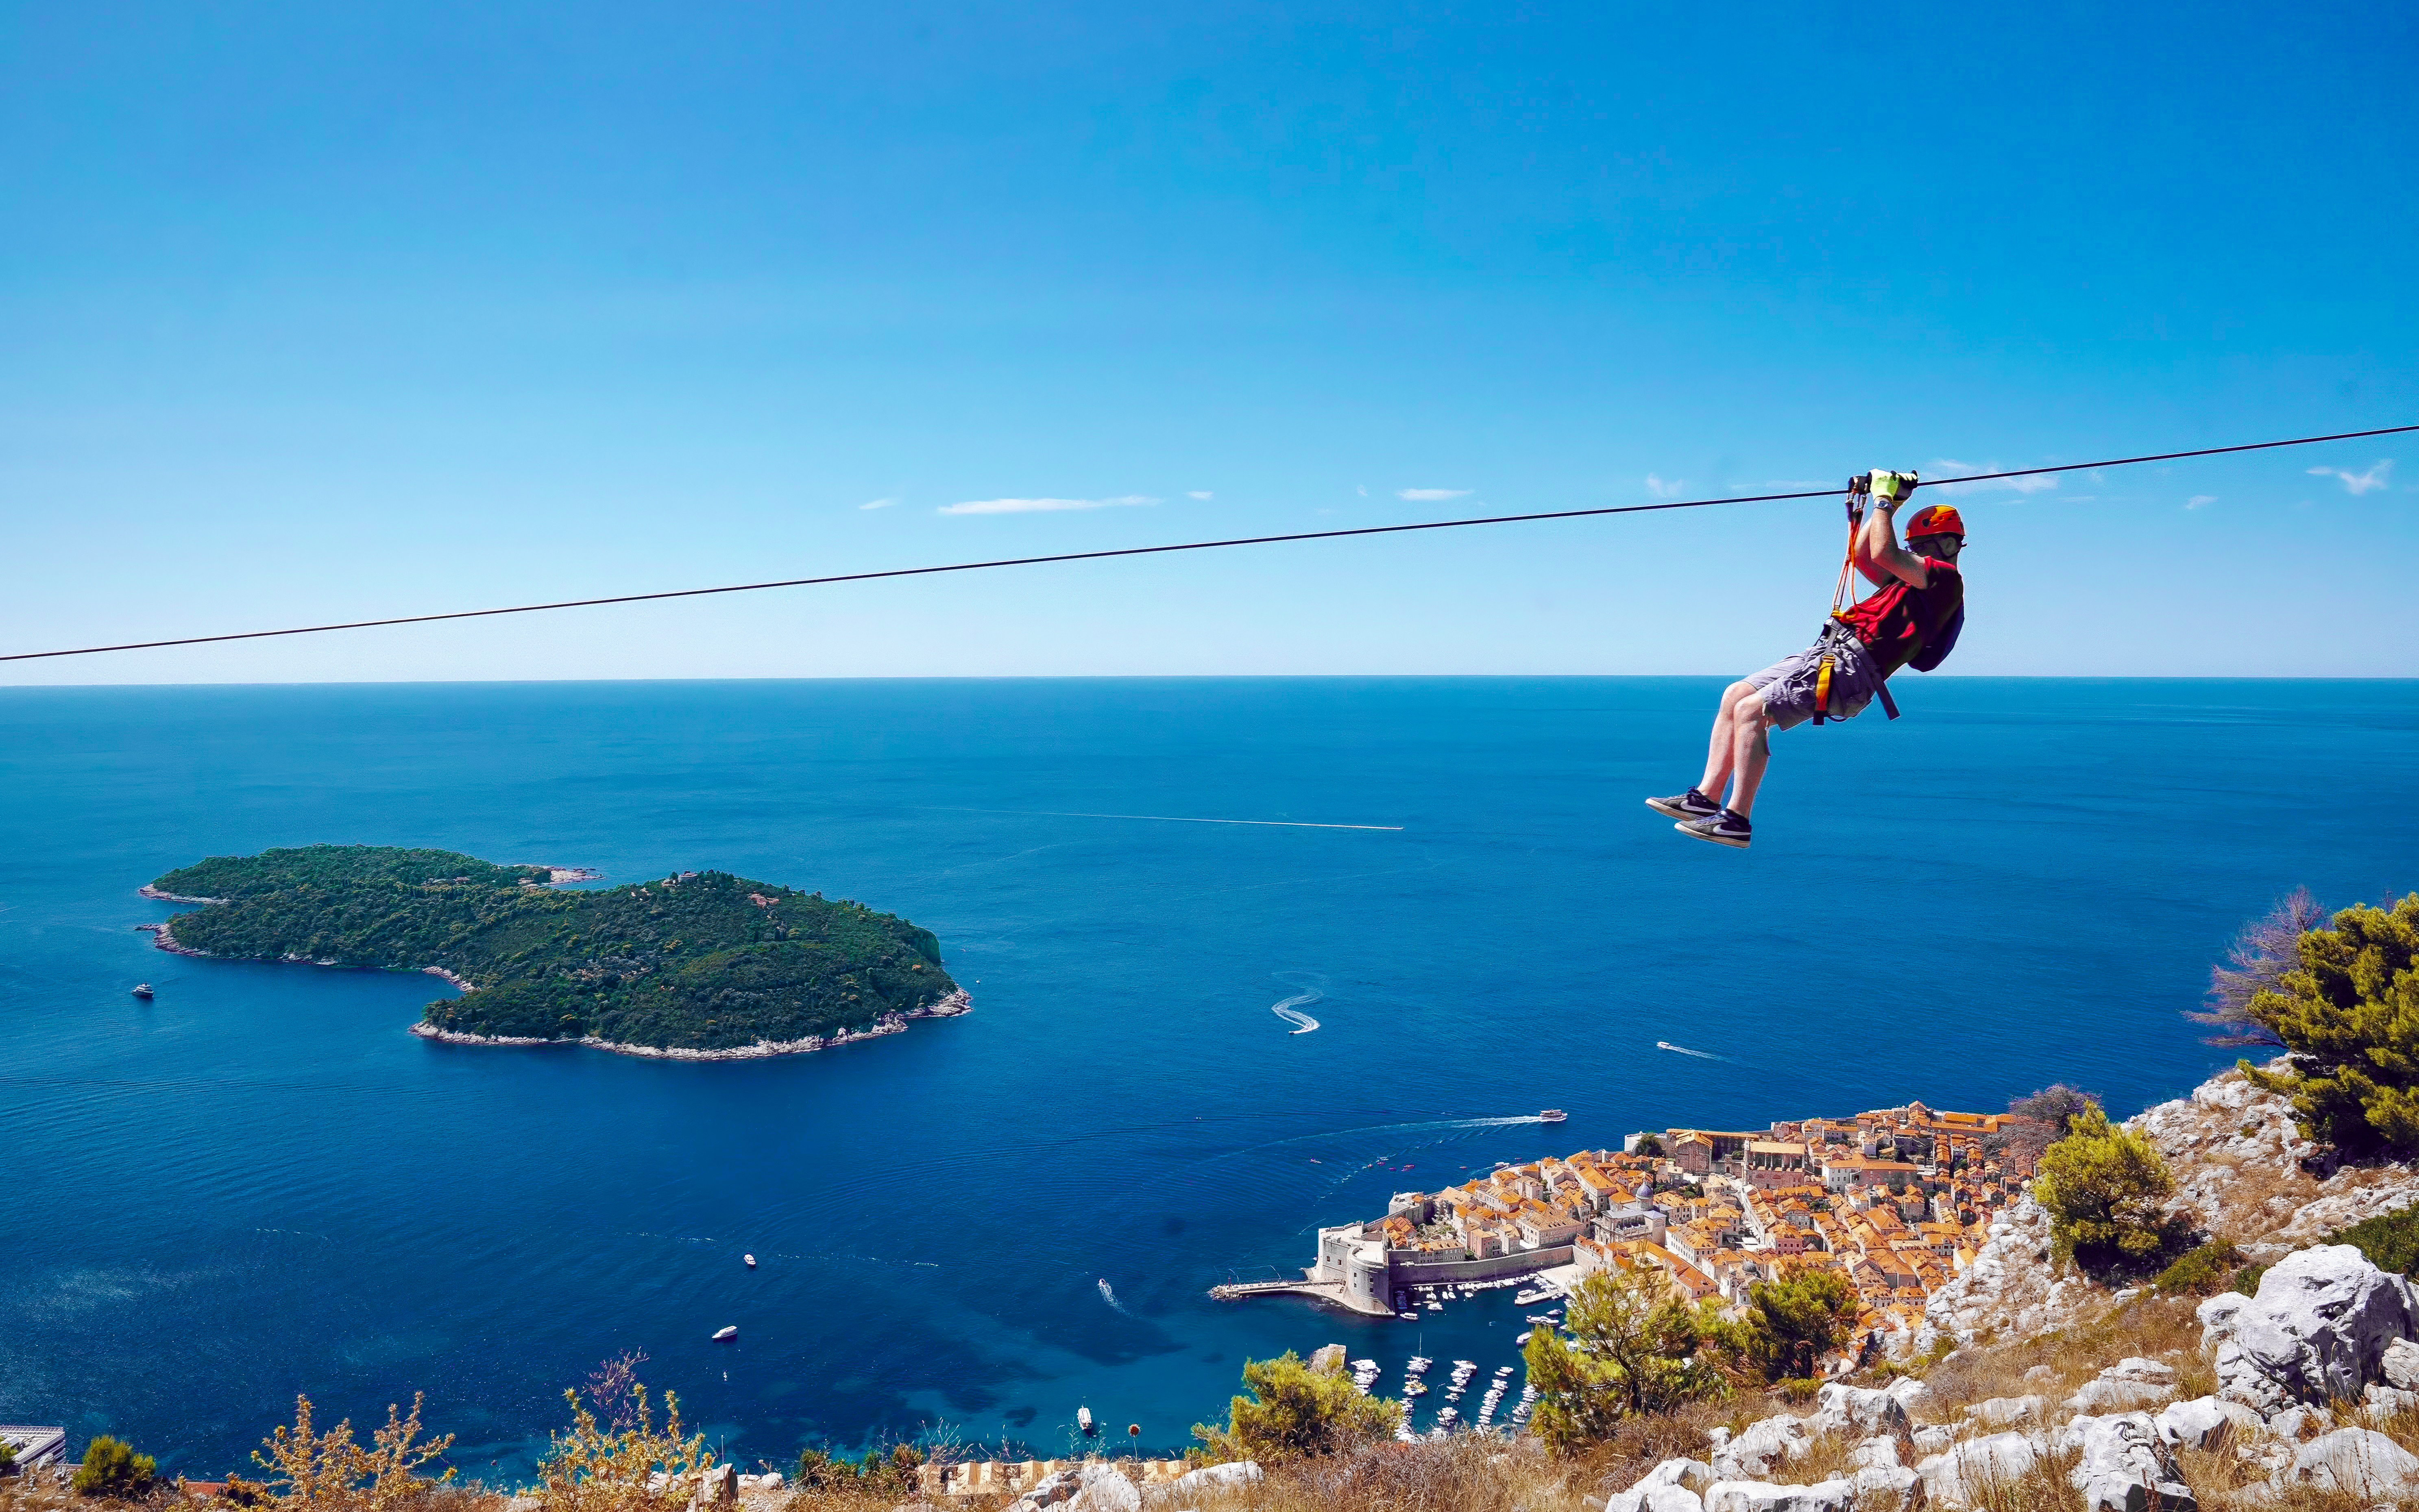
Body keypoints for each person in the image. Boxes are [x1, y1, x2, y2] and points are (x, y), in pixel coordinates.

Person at [1646, 489, 1968, 850]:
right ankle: (1706, 797)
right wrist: (1890, 506)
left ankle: (1737, 820)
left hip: (1853, 666)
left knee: (1752, 711)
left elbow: (1884, 552)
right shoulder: (1906, 583)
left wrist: (1882, 502)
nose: (1914, 554)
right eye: (1912, 548)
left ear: (1948, 546)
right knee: (1736, 695)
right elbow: (1864, 556)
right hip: (1830, 650)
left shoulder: (1945, 581)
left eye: (1920, 547)